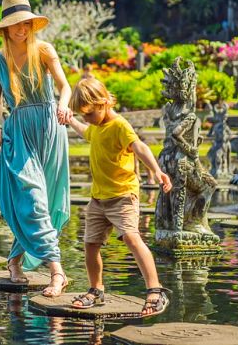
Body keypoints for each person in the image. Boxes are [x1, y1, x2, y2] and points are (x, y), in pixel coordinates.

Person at [0, 0, 72, 297]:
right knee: (33, 199)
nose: (22, 30)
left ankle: (13, 260)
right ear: (6, 29)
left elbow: (65, 87)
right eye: (16, 25)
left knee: (44, 204)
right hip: (19, 133)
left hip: (51, 128)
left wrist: (64, 105)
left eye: (26, 24)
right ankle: (57, 272)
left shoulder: (44, 50)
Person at [67, 77, 172, 317]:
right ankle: (96, 290)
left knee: (131, 238)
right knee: (90, 244)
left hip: (123, 195)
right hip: (98, 198)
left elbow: (140, 147)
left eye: (89, 114)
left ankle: (155, 291)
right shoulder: (96, 126)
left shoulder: (120, 125)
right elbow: (86, 132)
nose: (87, 119)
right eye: (83, 115)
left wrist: (155, 170)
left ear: (103, 103)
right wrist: (70, 119)